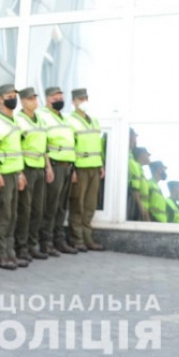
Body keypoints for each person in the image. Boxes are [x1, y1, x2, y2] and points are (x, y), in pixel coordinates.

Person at [0, 85, 27, 270]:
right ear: (1, 99)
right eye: (9, 96)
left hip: (14, 172)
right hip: (2, 174)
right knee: (2, 216)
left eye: (14, 96)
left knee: (12, 216)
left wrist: (20, 173)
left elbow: (15, 150)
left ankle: (10, 254)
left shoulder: (14, 120)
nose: (13, 99)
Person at [14, 87, 53, 261]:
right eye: (30, 99)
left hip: (39, 168)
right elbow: (15, 147)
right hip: (26, 167)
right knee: (25, 209)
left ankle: (32, 244)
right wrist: (20, 172)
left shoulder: (40, 120)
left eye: (35, 98)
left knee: (38, 209)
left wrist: (48, 167)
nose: (34, 102)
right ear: (22, 101)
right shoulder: (18, 119)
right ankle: (21, 247)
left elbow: (44, 146)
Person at [38, 87, 78, 256]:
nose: (59, 99)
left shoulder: (64, 118)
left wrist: (73, 168)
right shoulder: (43, 116)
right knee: (50, 206)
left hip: (67, 166)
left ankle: (58, 240)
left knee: (62, 207)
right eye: (56, 97)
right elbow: (42, 144)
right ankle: (46, 242)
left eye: (61, 96)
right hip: (54, 165)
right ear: (48, 98)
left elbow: (71, 144)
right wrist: (47, 166)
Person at [67, 88, 105, 250]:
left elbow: (98, 144)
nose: (83, 101)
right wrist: (72, 169)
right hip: (80, 167)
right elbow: (69, 146)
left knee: (90, 204)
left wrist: (101, 164)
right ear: (73, 102)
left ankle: (87, 238)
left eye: (85, 98)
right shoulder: (70, 120)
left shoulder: (94, 120)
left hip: (94, 167)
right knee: (78, 203)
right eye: (80, 99)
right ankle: (77, 239)